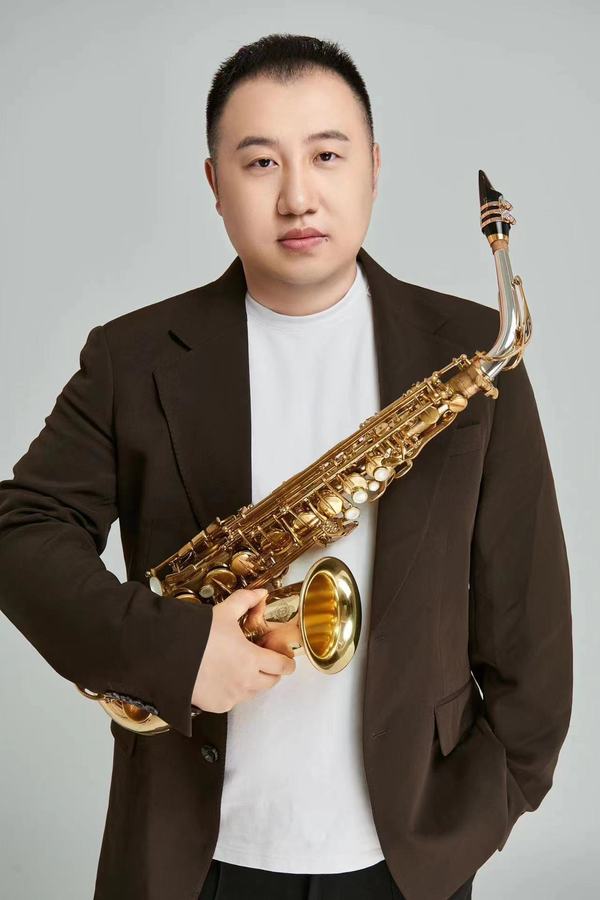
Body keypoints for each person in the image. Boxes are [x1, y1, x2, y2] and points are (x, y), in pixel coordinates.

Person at [0, 33, 572, 900]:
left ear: (374, 166)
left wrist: (460, 836)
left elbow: (533, 639)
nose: (298, 195)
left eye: (328, 155)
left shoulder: (473, 354)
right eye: (261, 161)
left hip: (405, 870)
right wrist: (179, 652)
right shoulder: (131, 357)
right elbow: (18, 532)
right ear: (214, 184)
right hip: (189, 866)